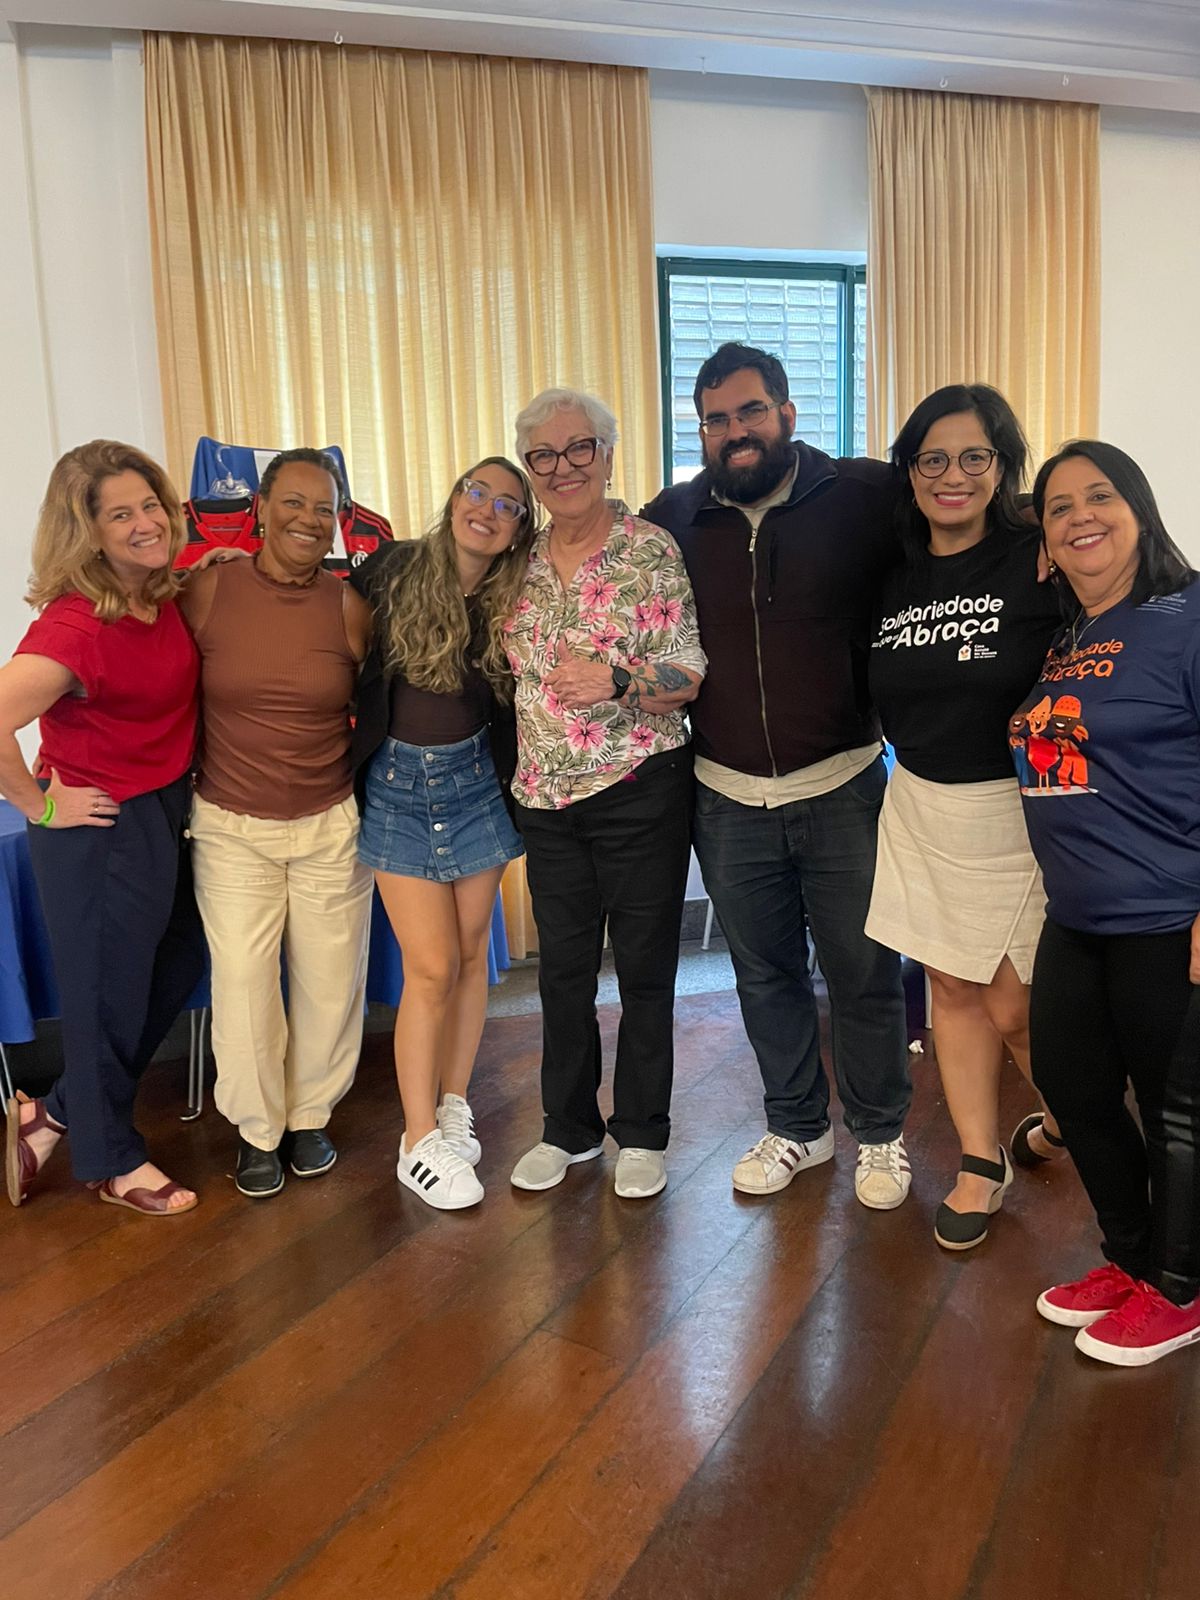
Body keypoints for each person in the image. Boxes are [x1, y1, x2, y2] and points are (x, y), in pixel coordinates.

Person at [642, 343, 912, 1207]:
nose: (736, 431)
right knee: (765, 975)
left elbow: (963, 523)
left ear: (787, 413)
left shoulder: (862, 496)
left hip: (845, 785)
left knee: (863, 971)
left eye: (751, 411)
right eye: (716, 420)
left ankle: (880, 1134)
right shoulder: (672, 519)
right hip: (727, 797)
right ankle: (799, 1126)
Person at [1012, 441, 1200, 1366]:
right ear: (1046, 543)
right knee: (1073, 1087)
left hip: (1171, 917)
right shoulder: (1068, 639)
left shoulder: (1188, 618)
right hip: (1078, 915)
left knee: (1177, 1115)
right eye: (1058, 507)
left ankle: (1183, 1287)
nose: (1079, 515)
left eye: (1100, 495)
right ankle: (1132, 1259)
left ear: (1139, 510)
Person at [866, 385, 1064, 1250]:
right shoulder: (891, 568)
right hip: (919, 801)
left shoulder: (1037, 556)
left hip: (1015, 809)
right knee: (949, 986)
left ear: (1002, 464)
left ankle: (1074, 1117)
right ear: (909, 470)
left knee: (1014, 1005)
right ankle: (982, 1161)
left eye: (974, 456)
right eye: (933, 458)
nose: (953, 476)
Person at [507, 388, 706, 1201]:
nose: (563, 468)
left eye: (578, 448)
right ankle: (568, 1129)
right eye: (543, 456)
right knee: (562, 973)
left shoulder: (649, 549)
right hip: (545, 798)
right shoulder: (517, 561)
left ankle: (644, 1131)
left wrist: (618, 679)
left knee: (645, 968)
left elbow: (688, 675)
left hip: (638, 787)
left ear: (608, 455)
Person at [1, 440, 205, 1215]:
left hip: (164, 809)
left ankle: (53, 1113)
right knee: (107, 1000)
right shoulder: (75, 627)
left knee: (178, 963)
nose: (145, 523)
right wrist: (40, 805)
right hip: (99, 828)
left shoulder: (159, 594)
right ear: (85, 531)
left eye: (151, 505)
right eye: (120, 515)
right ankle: (112, 1162)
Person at [181, 448, 373, 1198]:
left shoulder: (348, 606)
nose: (308, 519)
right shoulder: (209, 588)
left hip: (329, 824)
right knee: (243, 985)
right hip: (232, 827)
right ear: (260, 507)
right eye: (293, 502)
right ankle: (257, 1130)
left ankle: (309, 1116)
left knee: (330, 981)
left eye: (324, 508)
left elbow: (378, 705)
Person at [349, 459, 535, 1210]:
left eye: (507, 504)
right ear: (455, 497)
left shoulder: (515, 595)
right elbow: (318, 615)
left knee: (467, 954)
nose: (486, 509)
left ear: (519, 528)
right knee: (429, 969)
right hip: (398, 789)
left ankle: (453, 1104)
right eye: (476, 492)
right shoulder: (393, 569)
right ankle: (417, 1138)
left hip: (477, 785)